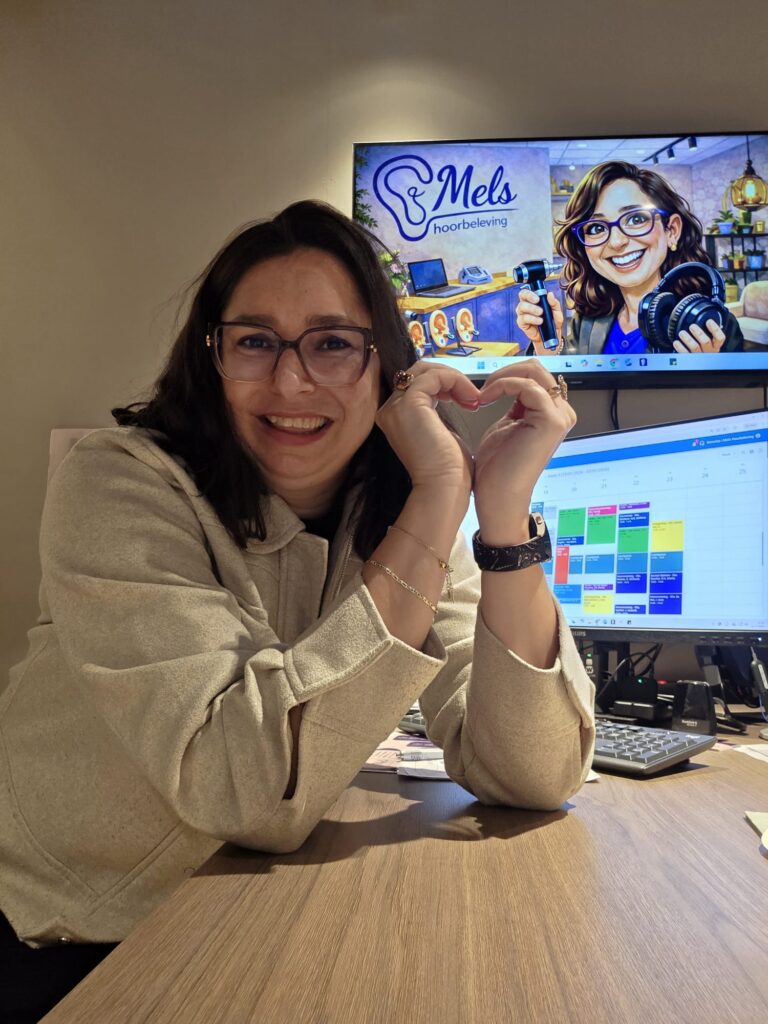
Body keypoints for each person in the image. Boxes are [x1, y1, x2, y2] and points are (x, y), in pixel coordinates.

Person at [0, 200, 595, 1021]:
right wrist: (437, 499)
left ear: (384, 365)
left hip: (252, 917)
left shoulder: (393, 508)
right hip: (78, 933)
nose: (290, 382)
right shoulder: (116, 486)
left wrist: (501, 516)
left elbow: (534, 774)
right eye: (254, 342)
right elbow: (242, 789)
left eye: (332, 343)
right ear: (211, 358)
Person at [515, 161, 744, 355]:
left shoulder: (713, 325)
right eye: (596, 228)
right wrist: (547, 348)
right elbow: (565, 392)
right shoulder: (586, 321)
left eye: (636, 219)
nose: (616, 242)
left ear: (671, 230)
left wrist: (705, 374)